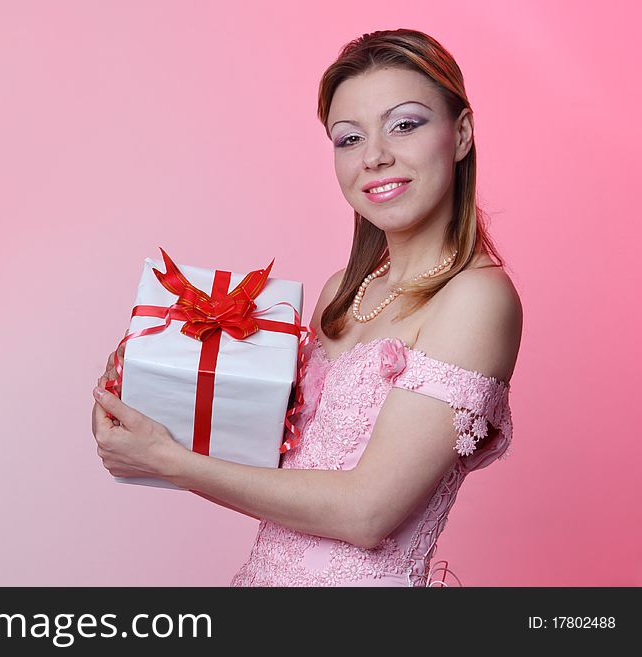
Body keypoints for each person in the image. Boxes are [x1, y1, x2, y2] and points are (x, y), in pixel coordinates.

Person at [91, 28, 522, 587]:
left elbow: (368, 512)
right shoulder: (343, 291)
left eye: (406, 124)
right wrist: (146, 394)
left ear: (460, 133)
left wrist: (168, 462)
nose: (375, 156)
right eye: (348, 138)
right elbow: (275, 468)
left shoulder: (477, 297)